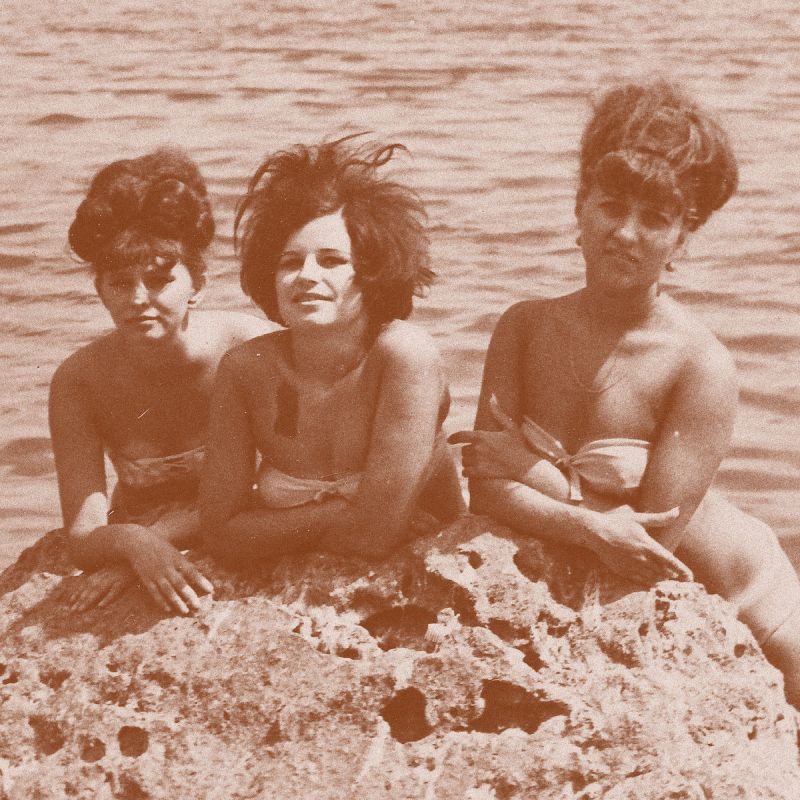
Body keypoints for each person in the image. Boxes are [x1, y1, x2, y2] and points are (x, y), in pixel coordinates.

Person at [449, 81, 800, 705]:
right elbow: (486, 490)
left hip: (753, 605)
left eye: (656, 220)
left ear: (682, 240)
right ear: (579, 209)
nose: (626, 234)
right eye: (610, 206)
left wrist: (527, 470)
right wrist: (587, 524)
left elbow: (648, 547)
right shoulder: (523, 327)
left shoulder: (699, 364)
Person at [199, 136, 464, 563]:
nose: (305, 276)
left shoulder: (403, 356)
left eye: (331, 261)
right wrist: (336, 515)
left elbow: (372, 538)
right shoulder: (246, 368)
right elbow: (220, 536)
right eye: (289, 262)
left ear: (372, 272)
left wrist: (274, 529)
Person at [50, 148, 276, 615]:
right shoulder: (79, 381)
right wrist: (134, 544)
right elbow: (82, 537)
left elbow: (288, 482)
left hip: (250, 524)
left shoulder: (251, 348)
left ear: (198, 284)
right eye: (119, 283)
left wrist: (154, 541)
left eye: (158, 280)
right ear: (100, 291)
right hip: (140, 535)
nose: (138, 299)